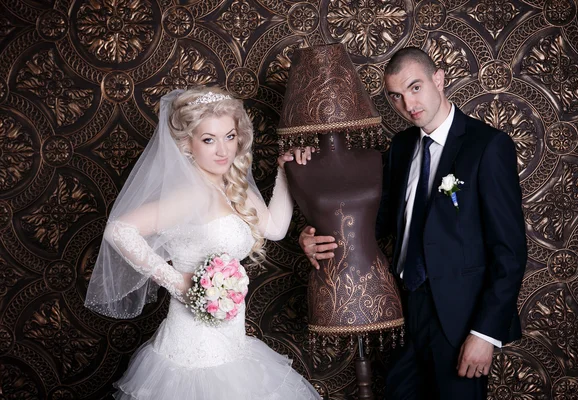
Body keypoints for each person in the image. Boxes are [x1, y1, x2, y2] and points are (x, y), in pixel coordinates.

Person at [298, 47, 527, 399]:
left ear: (439, 79)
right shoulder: (402, 147)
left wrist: (484, 334)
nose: (408, 104)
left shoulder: (488, 146)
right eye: (396, 96)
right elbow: (373, 225)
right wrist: (316, 231)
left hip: (460, 318)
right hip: (403, 310)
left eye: (415, 88)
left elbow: (509, 251)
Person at [85, 87, 320, 400]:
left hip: (232, 341)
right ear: (187, 144)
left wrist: (285, 171)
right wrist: (176, 281)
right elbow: (118, 230)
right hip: (190, 349)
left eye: (230, 136)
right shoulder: (189, 195)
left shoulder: (233, 188)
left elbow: (275, 228)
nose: (223, 150)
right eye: (209, 139)